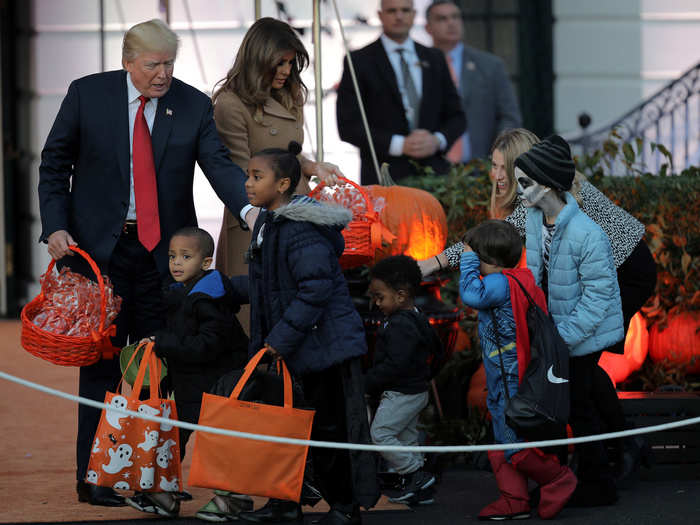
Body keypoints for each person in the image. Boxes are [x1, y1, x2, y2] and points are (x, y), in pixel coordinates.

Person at [38, 19, 252, 507]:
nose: (162, 74)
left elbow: (218, 165)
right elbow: (54, 165)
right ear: (127, 61)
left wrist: (250, 209)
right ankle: (94, 478)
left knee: (164, 364)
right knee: (101, 365)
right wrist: (55, 227)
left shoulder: (193, 103)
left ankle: (151, 477)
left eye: (169, 64)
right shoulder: (86, 95)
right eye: (153, 65)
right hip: (98, 256)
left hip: (167, 258)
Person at [420, 128, 657, 479]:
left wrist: (434, 263)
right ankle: (619, 449)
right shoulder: (537, 193)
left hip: (626, 272)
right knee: (584, 370)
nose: (496, 175)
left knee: (578, 369)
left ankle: (611, 455)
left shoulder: (549, 190)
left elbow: (487, 242)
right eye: (494, 166)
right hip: (602, 274)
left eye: (503, 167)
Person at [236, 142, 379, 525]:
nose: (248, 184)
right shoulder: (270, 223)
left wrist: (278, 340)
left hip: (323, 349)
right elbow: (272, 283)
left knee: (329, 429)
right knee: (283, 425)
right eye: (248, 175)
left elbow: (314, 289)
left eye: (257, 176)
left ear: (283, 184)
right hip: (297, 347)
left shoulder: (301, 229)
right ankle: (285, 503)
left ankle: (345, 508)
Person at [514, 135, 624, 506]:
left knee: (577, 406)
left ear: (546, 183)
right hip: (554, 331)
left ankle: (598, 483)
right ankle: (557, 479)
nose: (518, 190)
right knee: (555, 409)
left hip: (582, 334)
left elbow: (599, 296)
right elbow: (535, 274)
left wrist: (562, 339)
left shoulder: (587, 233)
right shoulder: (533, 218)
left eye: (524, 182)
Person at [213, 17, 341, 334]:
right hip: (255, 217)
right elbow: (241, 171)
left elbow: (289, 151)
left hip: (296, 211)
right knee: (255, 314)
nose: (286, 70)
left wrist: (313, 167)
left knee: (300, 307)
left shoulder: (291, 94)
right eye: (279, 63)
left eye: (290, 62)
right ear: (258, 60)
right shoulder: (230, 104)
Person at [123, 228, 249, 518]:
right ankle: (163, 496)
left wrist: (165, 344)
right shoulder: (180, 294)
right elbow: (182, 336)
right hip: (191, 387)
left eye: (185, 256)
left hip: (216, 387)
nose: (176, 263)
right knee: (173, 439)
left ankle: (232, 500)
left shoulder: (208, 299)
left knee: (218, 445)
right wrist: (157, 341)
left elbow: (206, 346)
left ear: (206, 263)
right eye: (171, 256)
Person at [459, 220, 577, 520]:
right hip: (507, 372)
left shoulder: (499, 283)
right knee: (503, 438)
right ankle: (515, 499)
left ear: (488, 259)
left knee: (513, 442)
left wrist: (467, 260)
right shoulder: (520, 278)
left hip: (509, 375)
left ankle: (556, 478)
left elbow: (471, 295)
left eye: (476, 256)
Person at [336, 0, 466, 184]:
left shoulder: (434, 58)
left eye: (405, 10)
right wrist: (399, 145)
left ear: (414, 14)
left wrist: (437, 140)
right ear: (380, 15)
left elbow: (457, 116)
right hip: (383, 176)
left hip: (435, 177)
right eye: (392, 11)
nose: (399, 16)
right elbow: (348, 126)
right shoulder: (359, 61)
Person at [366, 255, 442, 505]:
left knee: (381, 434)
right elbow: (438, 350)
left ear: (400, 296)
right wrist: (427, 375)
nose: (376, 303)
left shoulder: (400, 325)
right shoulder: (418, 318)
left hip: (401, 393)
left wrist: (368, 382)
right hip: (415, 391)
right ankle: (419, 491)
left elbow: (395, 365)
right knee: (407, 439)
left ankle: (415, 475)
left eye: (380, 297)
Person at [425, 0, 522, 164]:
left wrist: (498, 154)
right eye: (442, 19)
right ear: (428, 28)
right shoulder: (419, 64)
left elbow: (509, 117)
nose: (451, 23)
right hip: (429, 169)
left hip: (481, 168)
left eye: (455, 17)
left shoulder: (490, 65)